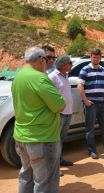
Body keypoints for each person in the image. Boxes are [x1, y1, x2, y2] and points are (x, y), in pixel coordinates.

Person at [12, 46, 65, 193]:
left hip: (22, 137)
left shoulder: (19, 76)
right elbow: (60, 105)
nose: (49, 63)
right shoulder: (39, 78)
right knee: (45, 182)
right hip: (42, 138)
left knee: (26, 177)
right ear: (41, 59)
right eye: (48, 60)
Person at [78, 49, 104, 159]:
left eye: (97, 57)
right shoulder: (85, 69)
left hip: (102, 104)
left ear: (100, 58)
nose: (95, 59)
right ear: (90, 57)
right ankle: (92, 151)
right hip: (91, 104)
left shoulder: (103, 70)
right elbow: (80, 86)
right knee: (90, 129)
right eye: (94, 57)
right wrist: (86, 101)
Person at [49, 55, 74, 167]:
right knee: (55, 140)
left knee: (61, 139)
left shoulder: (66, 75)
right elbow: (49, 96)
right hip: (59, 113)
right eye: (70, 63)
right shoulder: (52, 77)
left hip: (68, 112)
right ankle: (54, 166)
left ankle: (60, 160)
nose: (71, 65)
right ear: (63, 65)